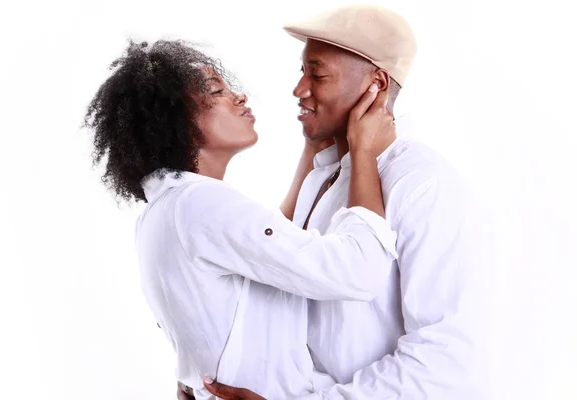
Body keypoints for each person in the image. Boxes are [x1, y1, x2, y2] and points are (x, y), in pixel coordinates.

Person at [83, 39, 400, 399]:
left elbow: (273, 251)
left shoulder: (164, 211)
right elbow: (358, 272)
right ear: (173, 119)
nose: (240, 97)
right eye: (217, 91)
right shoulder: (200, 205)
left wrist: (312, 149)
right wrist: (364, 152)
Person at [202, 5, 489, 400]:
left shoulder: (423, 183)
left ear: (377, 84)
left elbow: (446, 362)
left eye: (316, 74)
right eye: (302, 71)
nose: (299, 89)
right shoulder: (324, 174)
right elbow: (277, 296)